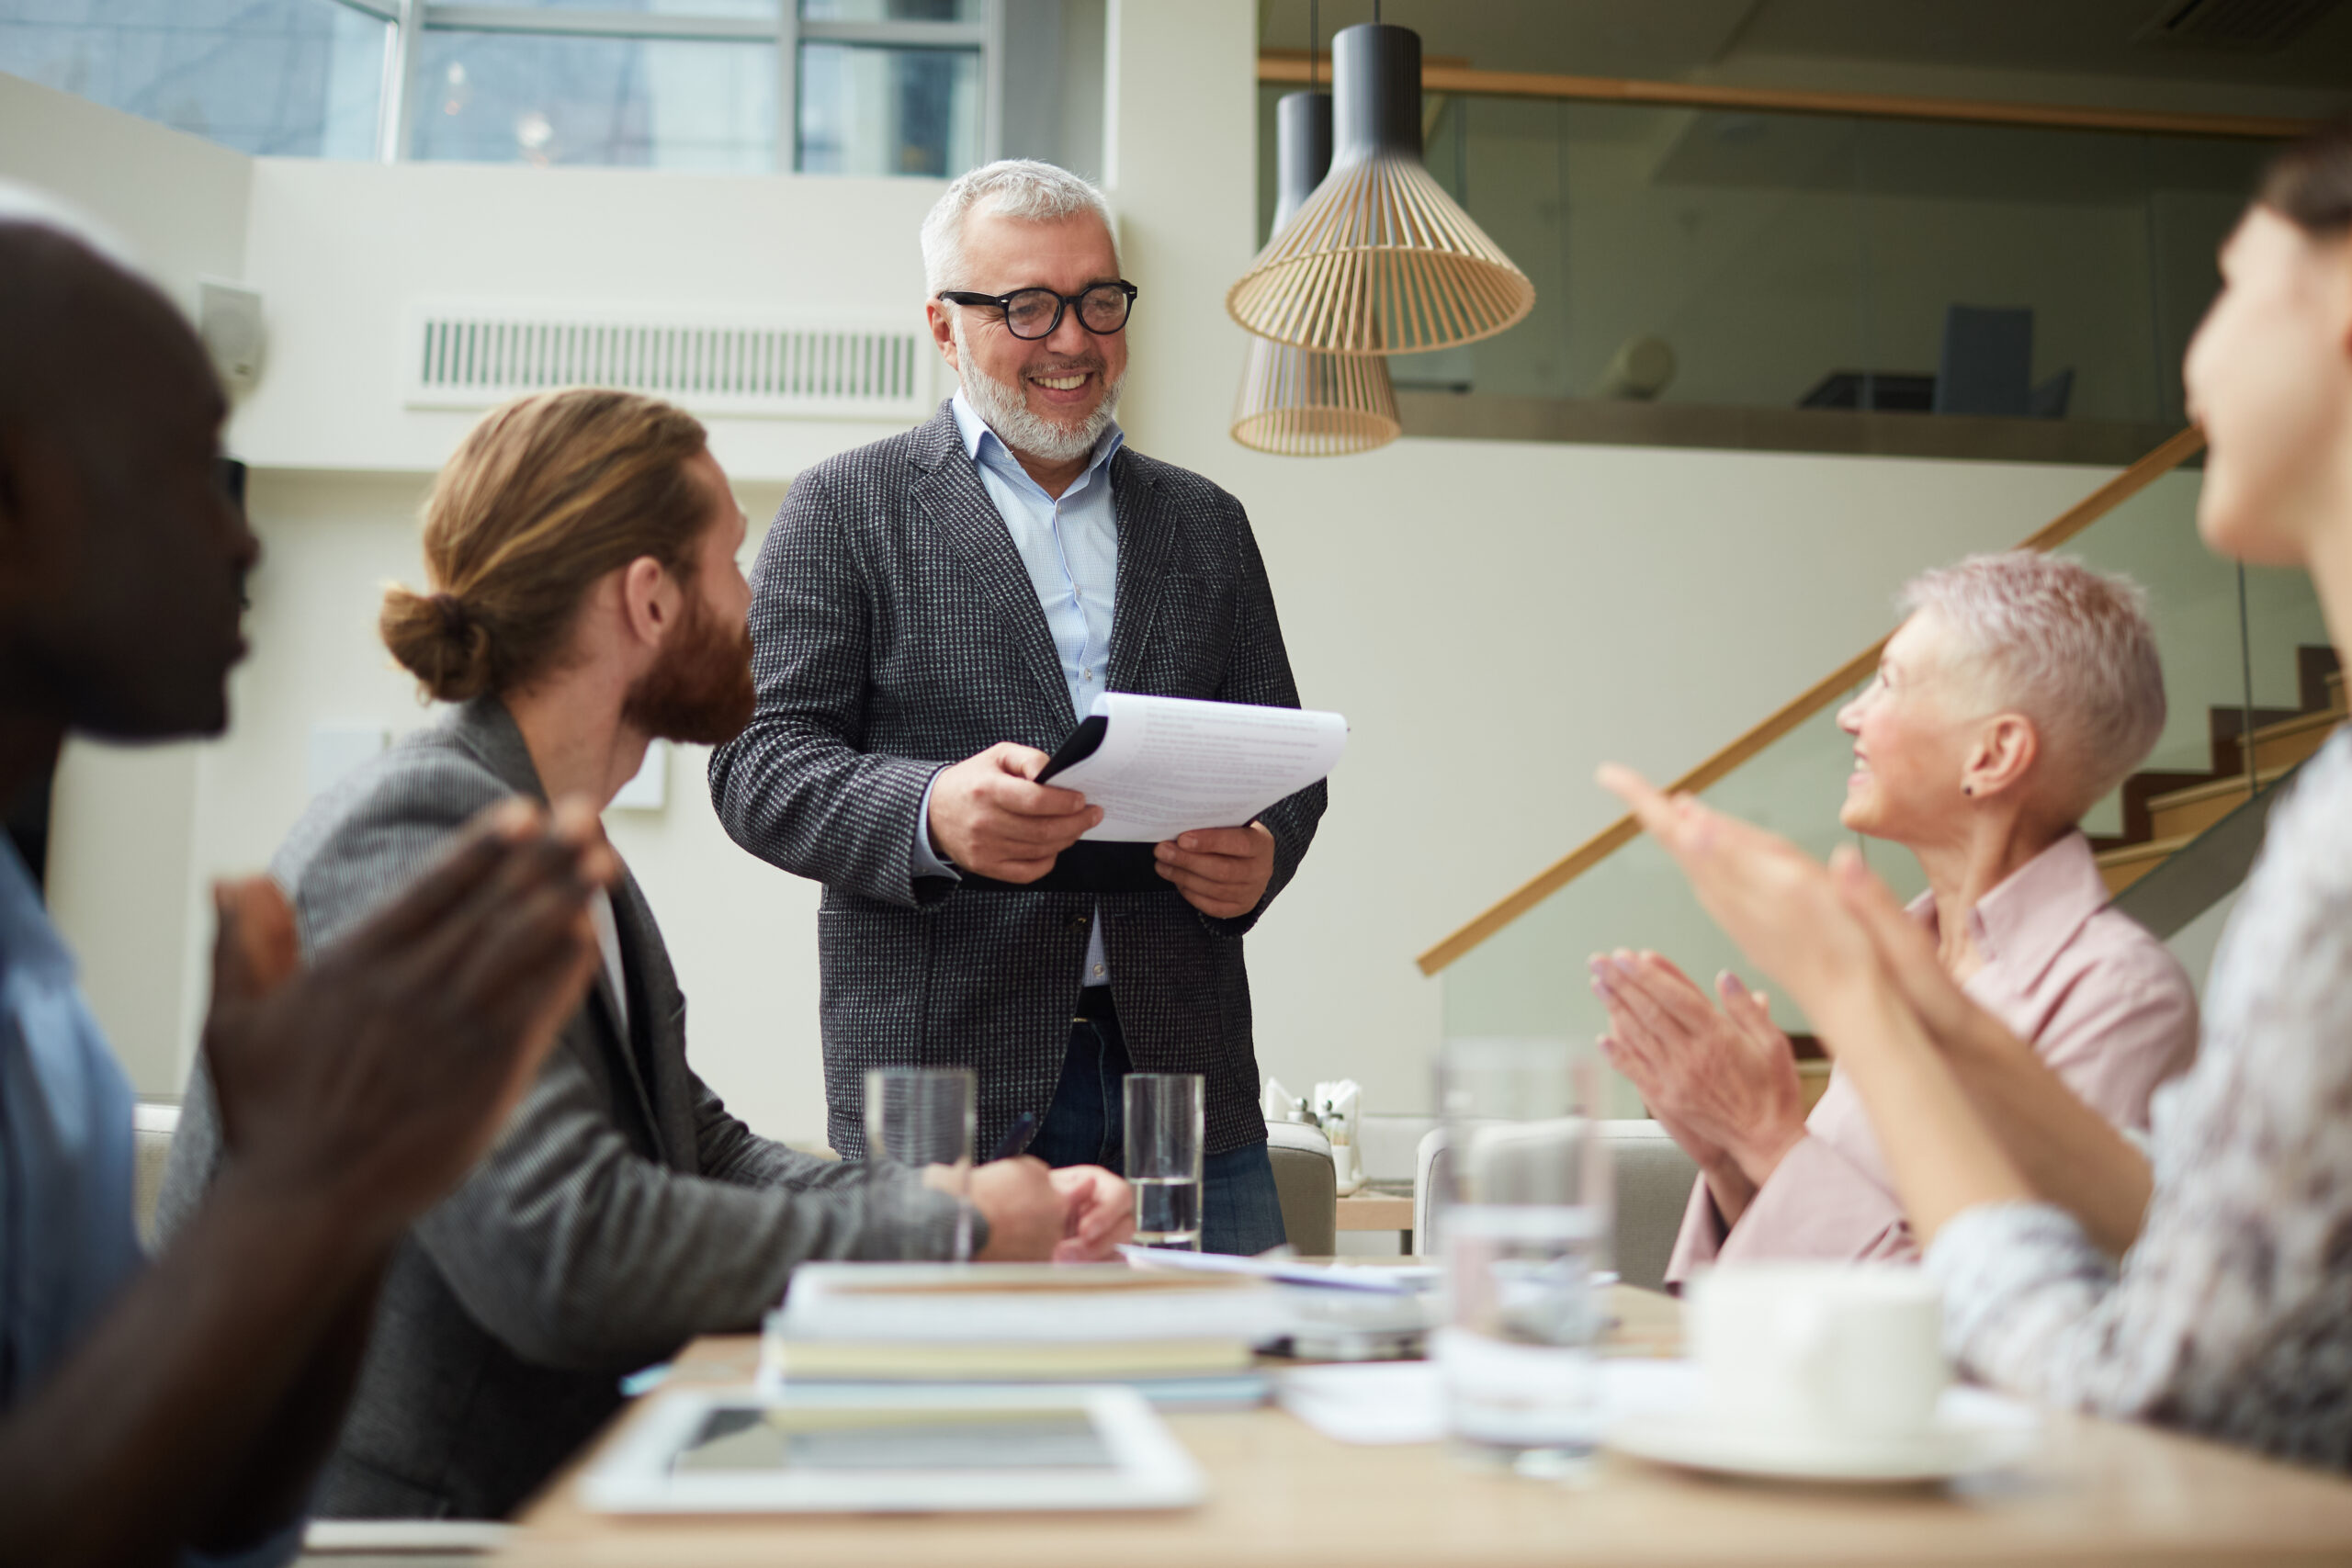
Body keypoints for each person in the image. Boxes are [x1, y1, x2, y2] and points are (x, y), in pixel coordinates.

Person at [159, 387, 1133, 1521]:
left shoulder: (568, 857)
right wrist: (954, 1230)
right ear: (651, 600)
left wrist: (960, 1196)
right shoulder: (422, 837)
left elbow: (699, 1151)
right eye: (733, 563)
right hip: (373, 1528)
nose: (758, 603)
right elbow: (565, 1250)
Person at [1604, 118, 2352, 1470]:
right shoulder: (2309, 827)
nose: (2193, 355)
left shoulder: (2136, 975)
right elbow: (2179, 1240)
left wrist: (1820, 1071)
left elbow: (2139, 1371)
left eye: (2234, 284)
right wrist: (1742, 1133)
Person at [0, 209, 617, 1564]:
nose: (244, 545)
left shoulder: (29, 955)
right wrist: (299, 1188)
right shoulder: (423, 813)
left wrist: (344, 1190)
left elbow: (206, 1500)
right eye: (180, 473)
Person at [708, 160, 1324, 1257]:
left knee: (1232, 1403)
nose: (1072, 340)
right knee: (964, 1413)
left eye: (1098, 301)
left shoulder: (1207, 523)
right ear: (945, 329)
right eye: (1026, 306)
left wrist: (1261, 853)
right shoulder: (843, 508)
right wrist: (930, 811)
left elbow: (1286, 763)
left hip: (1185, 1084)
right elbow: (758, 763)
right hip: (948, 1097)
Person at [1592, 553, 2197, 1283]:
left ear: (1995, 751)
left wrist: (1767, 1135)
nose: (1850, 714)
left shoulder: (2119, 996)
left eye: (1889, 682)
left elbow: (2008, 1311)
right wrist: (1729, 1154)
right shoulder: (1903, 958)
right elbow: (1835, 1226)